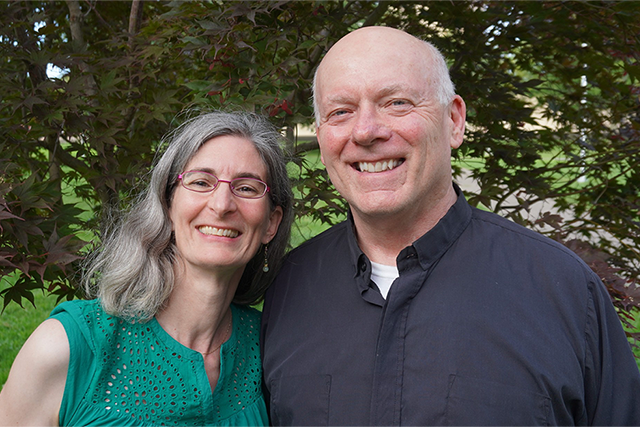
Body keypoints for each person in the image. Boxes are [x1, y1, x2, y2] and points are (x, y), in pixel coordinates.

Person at [260, 26, 640, 426]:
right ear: (321, 137)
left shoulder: (562, 290)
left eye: (397, 103)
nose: (366, 131)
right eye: (341, 111)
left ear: (454, 120)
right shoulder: (288, 288)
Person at [0, 110, 293, 426]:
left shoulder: (272, 348)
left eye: (247, 188)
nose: (221, 205)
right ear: (168, 206)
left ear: (270, 224)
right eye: (200, 182)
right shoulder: (66, 348)